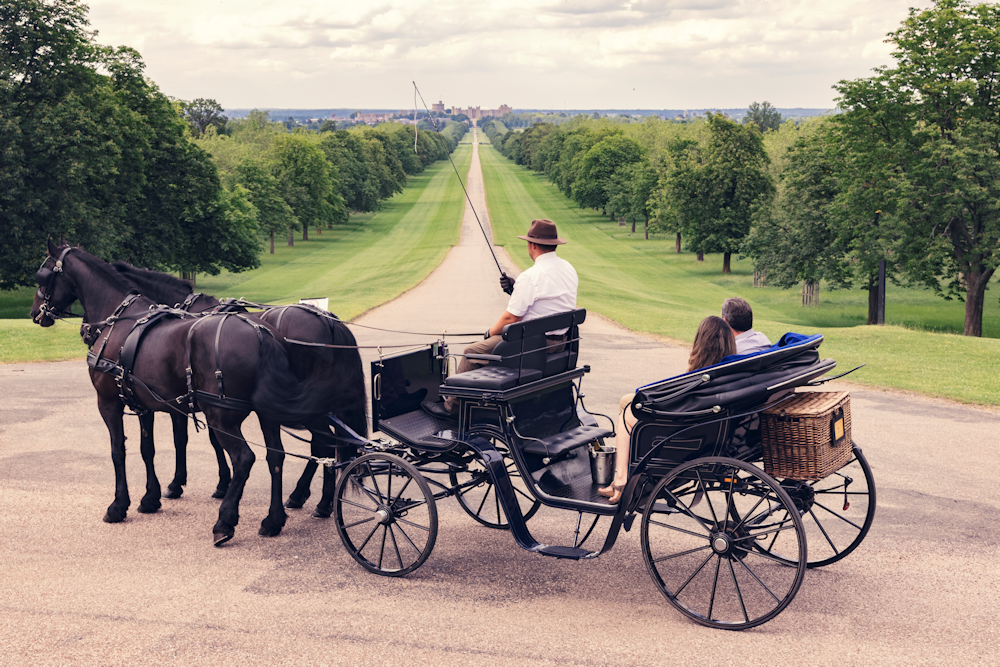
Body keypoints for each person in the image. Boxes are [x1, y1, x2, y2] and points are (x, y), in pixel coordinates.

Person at [422, 219, 578, 420]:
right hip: (560, 342)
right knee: (488, 345)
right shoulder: (568, 269)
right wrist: (515, 290)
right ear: (555, 244)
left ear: (533, 245)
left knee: (472, 352)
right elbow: (547, 303)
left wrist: (490, 332)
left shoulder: (531, 276)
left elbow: (511, 317)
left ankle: (453, 409)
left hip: (533, 346)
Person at [599, 316, 737, 504]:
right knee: (627, 402)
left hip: (684, 433)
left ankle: (621, 480)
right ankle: (629, 473)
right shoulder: (727, 372)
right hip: (704, 428)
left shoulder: (701, 376)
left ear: (701, 343)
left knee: (626, 415)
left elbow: (675, 401)